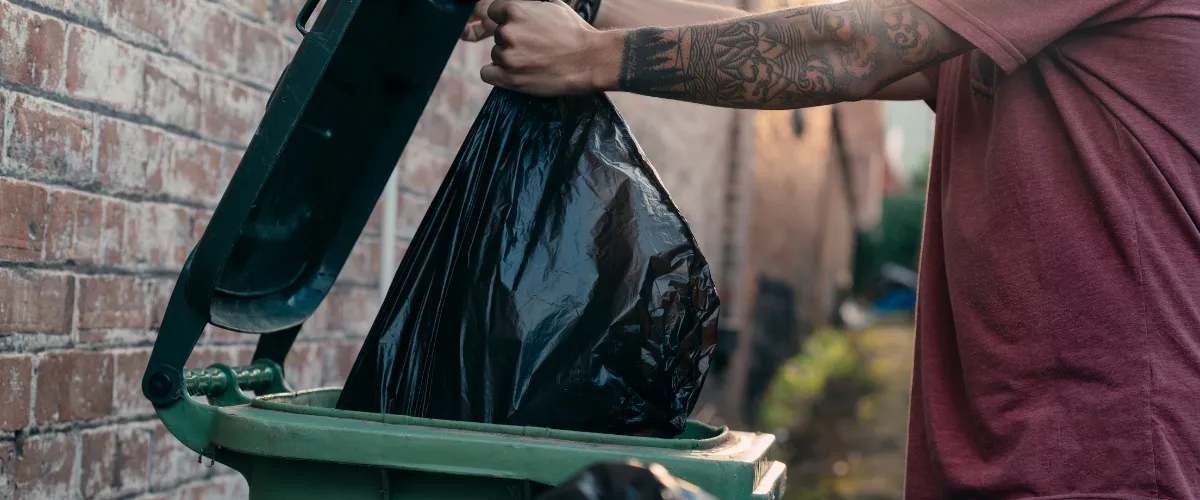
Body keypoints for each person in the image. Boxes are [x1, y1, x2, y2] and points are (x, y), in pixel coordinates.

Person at [460, 0, 1200, 497]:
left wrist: (598, 56)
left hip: (1108, 457)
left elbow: (854, 45)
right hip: (1023, 446)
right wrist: (577, 8)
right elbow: (793, 24)